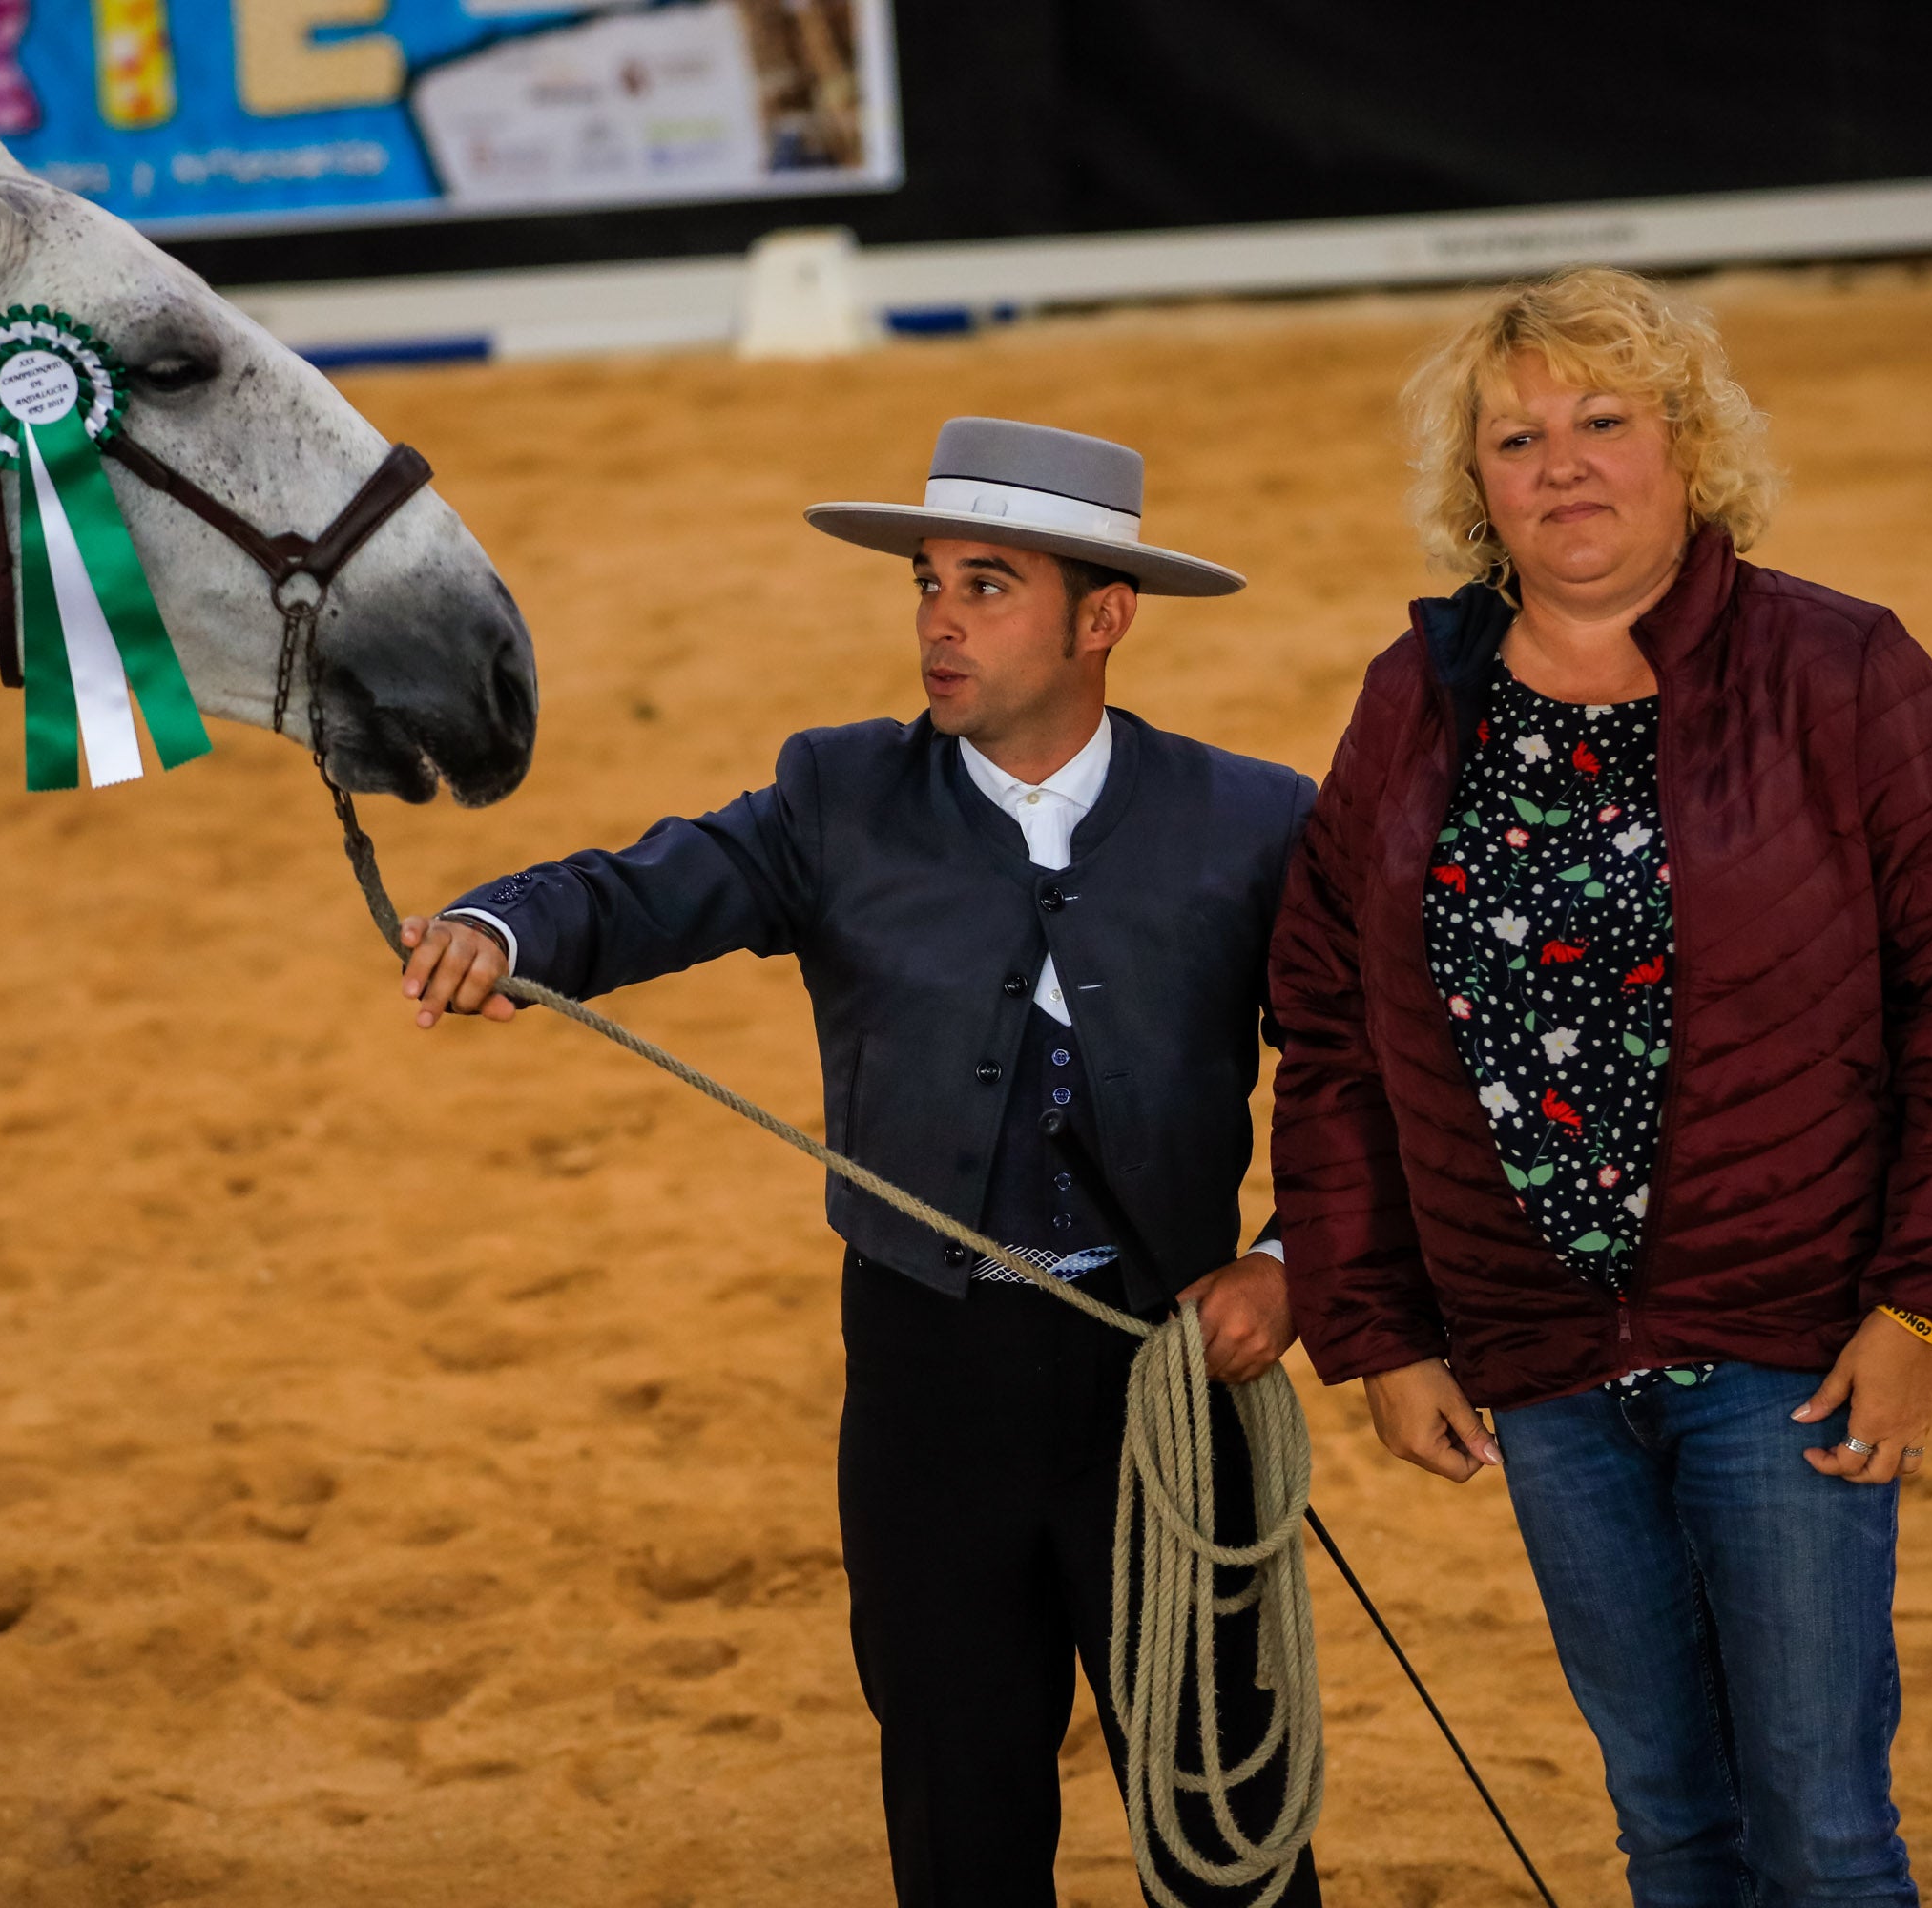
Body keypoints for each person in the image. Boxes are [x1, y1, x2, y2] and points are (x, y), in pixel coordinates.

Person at [398, 418, 1322, 1908]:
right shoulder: (838, 796)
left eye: (989, 585)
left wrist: (1292, 1264)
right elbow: (653, 889)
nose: (939, 622)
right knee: (960, 1806)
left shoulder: (1256, 818)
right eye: (925, 583)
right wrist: (506, 929)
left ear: (1105, 617)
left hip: (1169, 1377)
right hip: (925, 1377)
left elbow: (1359, 1079)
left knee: (1226, 1812)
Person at [1268, 268, 1932, 1906]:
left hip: (1792, 1343)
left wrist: (1922, 1310)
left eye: (1604, 422)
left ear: (1688, 450)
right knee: (1669, 1828)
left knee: (1826, 1834)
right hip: (1540, 1361)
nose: (1563, 466)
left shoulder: (1841, 671)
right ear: (1474, 487)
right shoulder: (1412, 703)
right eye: (1518, 438)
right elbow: (1331, 1027)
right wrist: (1383, 1327)